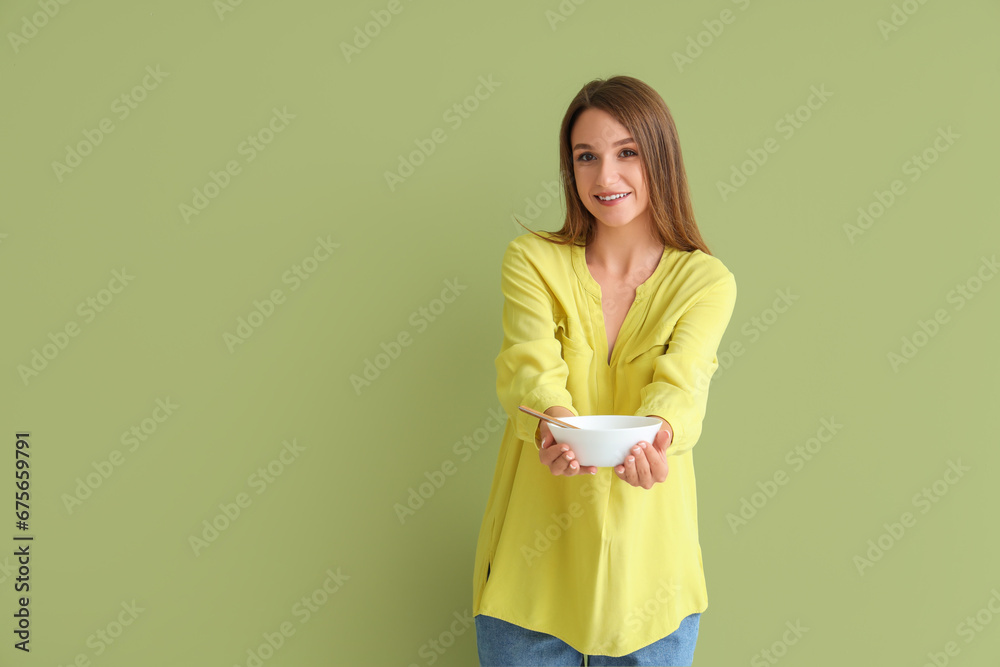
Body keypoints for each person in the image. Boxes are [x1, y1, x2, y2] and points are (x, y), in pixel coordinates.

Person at [471, 74, 738, 666]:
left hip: (653, 581)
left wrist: (659, 433)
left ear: (660, 159)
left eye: (627, 153)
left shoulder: (704, 281)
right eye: (585, 157)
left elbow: (683, 382)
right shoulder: (533, 260)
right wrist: (554, 424)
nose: (605, 178)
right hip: (530, 574)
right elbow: (529, 367)